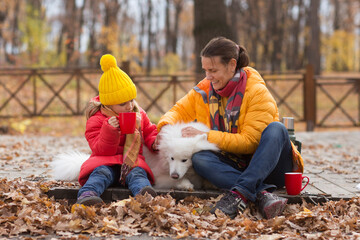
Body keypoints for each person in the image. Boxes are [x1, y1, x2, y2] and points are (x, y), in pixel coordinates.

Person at [157, 37, 304, 219]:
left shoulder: (257, 92)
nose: (208, 76)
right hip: (234, 166)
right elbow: (178, 111)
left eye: (213, 70)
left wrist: (208, 135)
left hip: (269, 168)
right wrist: (164, 127)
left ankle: (238, 194)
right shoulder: (204, 89)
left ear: (232, 64)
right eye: (205, 70)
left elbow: (249, 143)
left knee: (277, 129)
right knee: (201, 158)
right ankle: (261, 195)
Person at [76, 54, 159, 205]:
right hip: (105, 161)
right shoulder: (97, 119)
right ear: (108, 104)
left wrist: (154, 142)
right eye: (122, 104)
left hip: (132, 161)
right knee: (100, 174)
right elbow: (99, 149)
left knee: (138, 174)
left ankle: (144, 196)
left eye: (131, 100)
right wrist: (109, 131)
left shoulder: (138, 114)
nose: (129, 106)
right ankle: (87, 196)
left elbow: (150, 130)